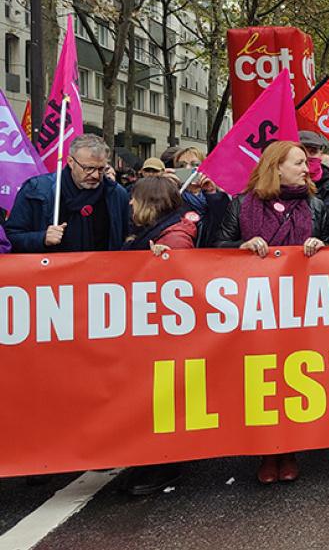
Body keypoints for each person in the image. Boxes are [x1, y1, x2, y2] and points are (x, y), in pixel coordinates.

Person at [215, 140, 329, 484]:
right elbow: (214, 248)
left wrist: (321, 246)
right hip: (256, 309)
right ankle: (268, 452)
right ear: (276, 166)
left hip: (301, 307)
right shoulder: (242, 205)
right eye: (298, 162)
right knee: (263, 380)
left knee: (293, 378)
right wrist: (241, 247)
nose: (306, 168)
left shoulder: (316, 205)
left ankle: (290, 450)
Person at [117, 176, 201, 495]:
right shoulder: (154, 234)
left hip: (164, 338)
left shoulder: (175, 240)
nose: (130, 204)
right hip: (155, 334)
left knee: (162, 401)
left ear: (150, 204)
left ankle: (164, 465)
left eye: (135, 198)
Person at [7, 134, 131, 253]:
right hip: (52, 271)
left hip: (102, 272)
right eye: (88, 168)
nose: (95, 175)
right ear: (71, 162)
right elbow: (11, 237)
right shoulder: (36, 191)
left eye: (101, 169)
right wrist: (42, 238)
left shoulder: (117, 194)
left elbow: (128, 237)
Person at [173, 147, 232, 248]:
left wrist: (212, 193)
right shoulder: (172, 198)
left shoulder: (219, 197)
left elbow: (226, 227)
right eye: (181, 165)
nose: (188, 169)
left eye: (195, 165)